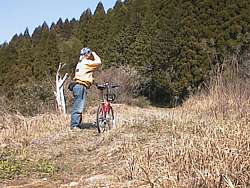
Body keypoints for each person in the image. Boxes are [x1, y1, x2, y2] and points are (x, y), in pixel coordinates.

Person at [70, 47, 101, 130]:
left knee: (78, 105)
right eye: (89, 53)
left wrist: (94, 83)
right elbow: (98, 62)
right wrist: (94, 53)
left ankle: (77, 124)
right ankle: (74, 126)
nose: (90, 55)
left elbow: (85, 76)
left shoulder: (80, 63)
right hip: (80, 86)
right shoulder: (86, 62)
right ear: (87, 54)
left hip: (78, 86)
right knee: (78, 106)